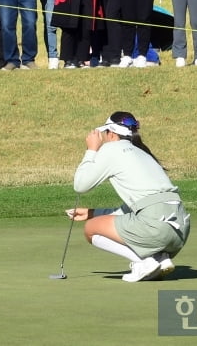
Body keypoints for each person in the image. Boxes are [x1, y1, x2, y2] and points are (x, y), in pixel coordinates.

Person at [67, 111, 189, 283]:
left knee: (90, 229)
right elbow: (138, 206)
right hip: (180, 231)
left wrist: (92, 150)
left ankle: (145, 261)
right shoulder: (143, 153)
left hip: (155, 226)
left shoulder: (111, 149)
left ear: (111, 133)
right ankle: (159, 258)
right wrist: (93, 213)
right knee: (98, 221)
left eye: (105, 134)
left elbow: (80, 185)